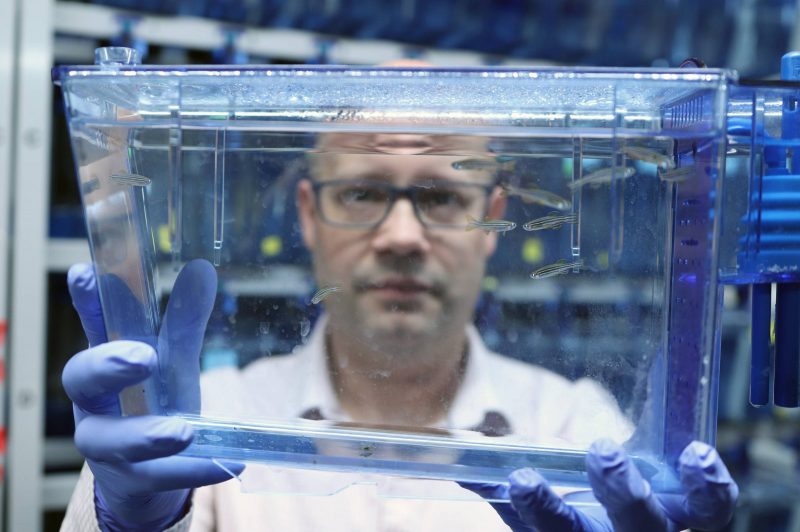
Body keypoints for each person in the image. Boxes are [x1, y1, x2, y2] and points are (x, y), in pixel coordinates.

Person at [60, 66, 738, 532]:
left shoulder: (578, 432)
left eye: (442, 196)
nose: (404, 236)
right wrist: (130, 518)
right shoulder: (208, 425)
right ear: (308, 212)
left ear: (493, 218)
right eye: (364, 193)